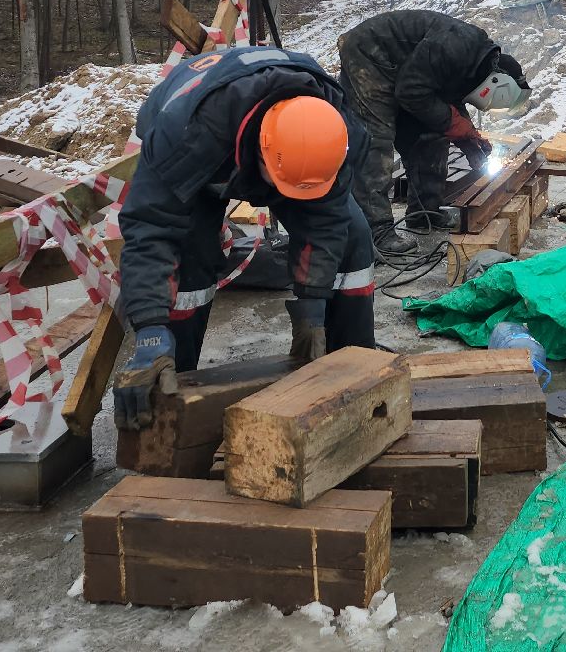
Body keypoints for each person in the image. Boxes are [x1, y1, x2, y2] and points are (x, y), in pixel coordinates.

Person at [111, 45, 373, 430]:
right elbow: (150, 229)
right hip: (201, 135)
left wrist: (313, 304)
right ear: (262, 153)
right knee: (188, 256)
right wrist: (149, 328)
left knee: (353, 233)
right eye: (287, 186)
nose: (291, 197)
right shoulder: (185, 134)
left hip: (259, 130)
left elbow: (326, 220)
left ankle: (355, 376)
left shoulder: (338, 133)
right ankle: (171, 395)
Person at [338, 10, 531, 254]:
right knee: (377, 141)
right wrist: (454, 123)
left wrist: (468, 138)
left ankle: (424, 214)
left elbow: (447, 101)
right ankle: (377, 231)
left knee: (433, 135)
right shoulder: (457, 48)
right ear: (497, 84)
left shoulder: (475, 63)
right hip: (370, 55)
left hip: (405, 74)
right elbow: (410, 91)